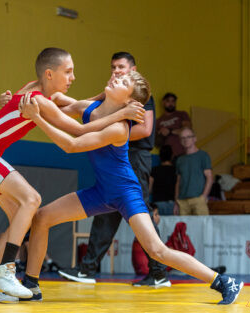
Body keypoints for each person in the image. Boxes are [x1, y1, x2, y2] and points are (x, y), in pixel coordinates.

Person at [15, 71, 243, 305]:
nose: (116, 78)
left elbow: (72, 145)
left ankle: (224, 282)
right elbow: (59, 109)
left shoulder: (121, 128)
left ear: (130, 102)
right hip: (101, 191)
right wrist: (16, 102)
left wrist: (37, 118)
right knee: (42, 217)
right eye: (119, 77)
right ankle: (31, 285)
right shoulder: (92, 106)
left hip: (125, 192)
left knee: (157, 251)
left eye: (124, 82)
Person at [0, 47, 145, 302]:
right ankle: (6, 272)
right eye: (68, 72)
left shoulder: (35, 91)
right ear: (50, 74)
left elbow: (84, 107)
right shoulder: (39, 101)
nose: (73, 78)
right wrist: (121, 114)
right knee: (32, 199)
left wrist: (109, 99)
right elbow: (79, 130)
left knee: (19, 216)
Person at [39, 51, 168, 287]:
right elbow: (87, 109)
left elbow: (146, 129)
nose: (116, 71)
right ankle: (88, 268)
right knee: (107, 214)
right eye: (113, 67)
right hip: (115, 156)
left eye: (121, 67)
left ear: (134, 70)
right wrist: (52, 103)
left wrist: (109, 130)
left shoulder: (137, 93)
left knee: (140, 213)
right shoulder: (112, 95)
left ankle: (158, 270)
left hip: (133, 157)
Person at [173, 128, 213, 216]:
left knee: (201, 228)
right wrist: (176, 201)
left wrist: (204, 196)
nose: (185, 140)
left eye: (188, 137)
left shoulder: (203, 156)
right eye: (183, 138)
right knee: (184, 229)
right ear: (180, 141)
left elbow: (209, 178)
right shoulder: (180, 159)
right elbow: (178, 182)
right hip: (182, 201)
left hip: (198, 199)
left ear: (194, 139)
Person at [155, 93, 191, 158]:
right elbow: (157, 144)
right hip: (167, 158)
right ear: (163, 102)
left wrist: (169, 131)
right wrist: (161, 135)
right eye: (168, 101)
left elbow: (187, 130)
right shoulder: (158, 121)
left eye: (173, 101)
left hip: (184, 153)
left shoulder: (182, 114)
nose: (171, 104)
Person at [150, 145, 176, 216]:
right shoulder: (176, 170)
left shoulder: (154, 170)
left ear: (160, 156)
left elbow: (149, 189)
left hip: (157, 203)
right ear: (172, 156)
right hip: (173, 204)